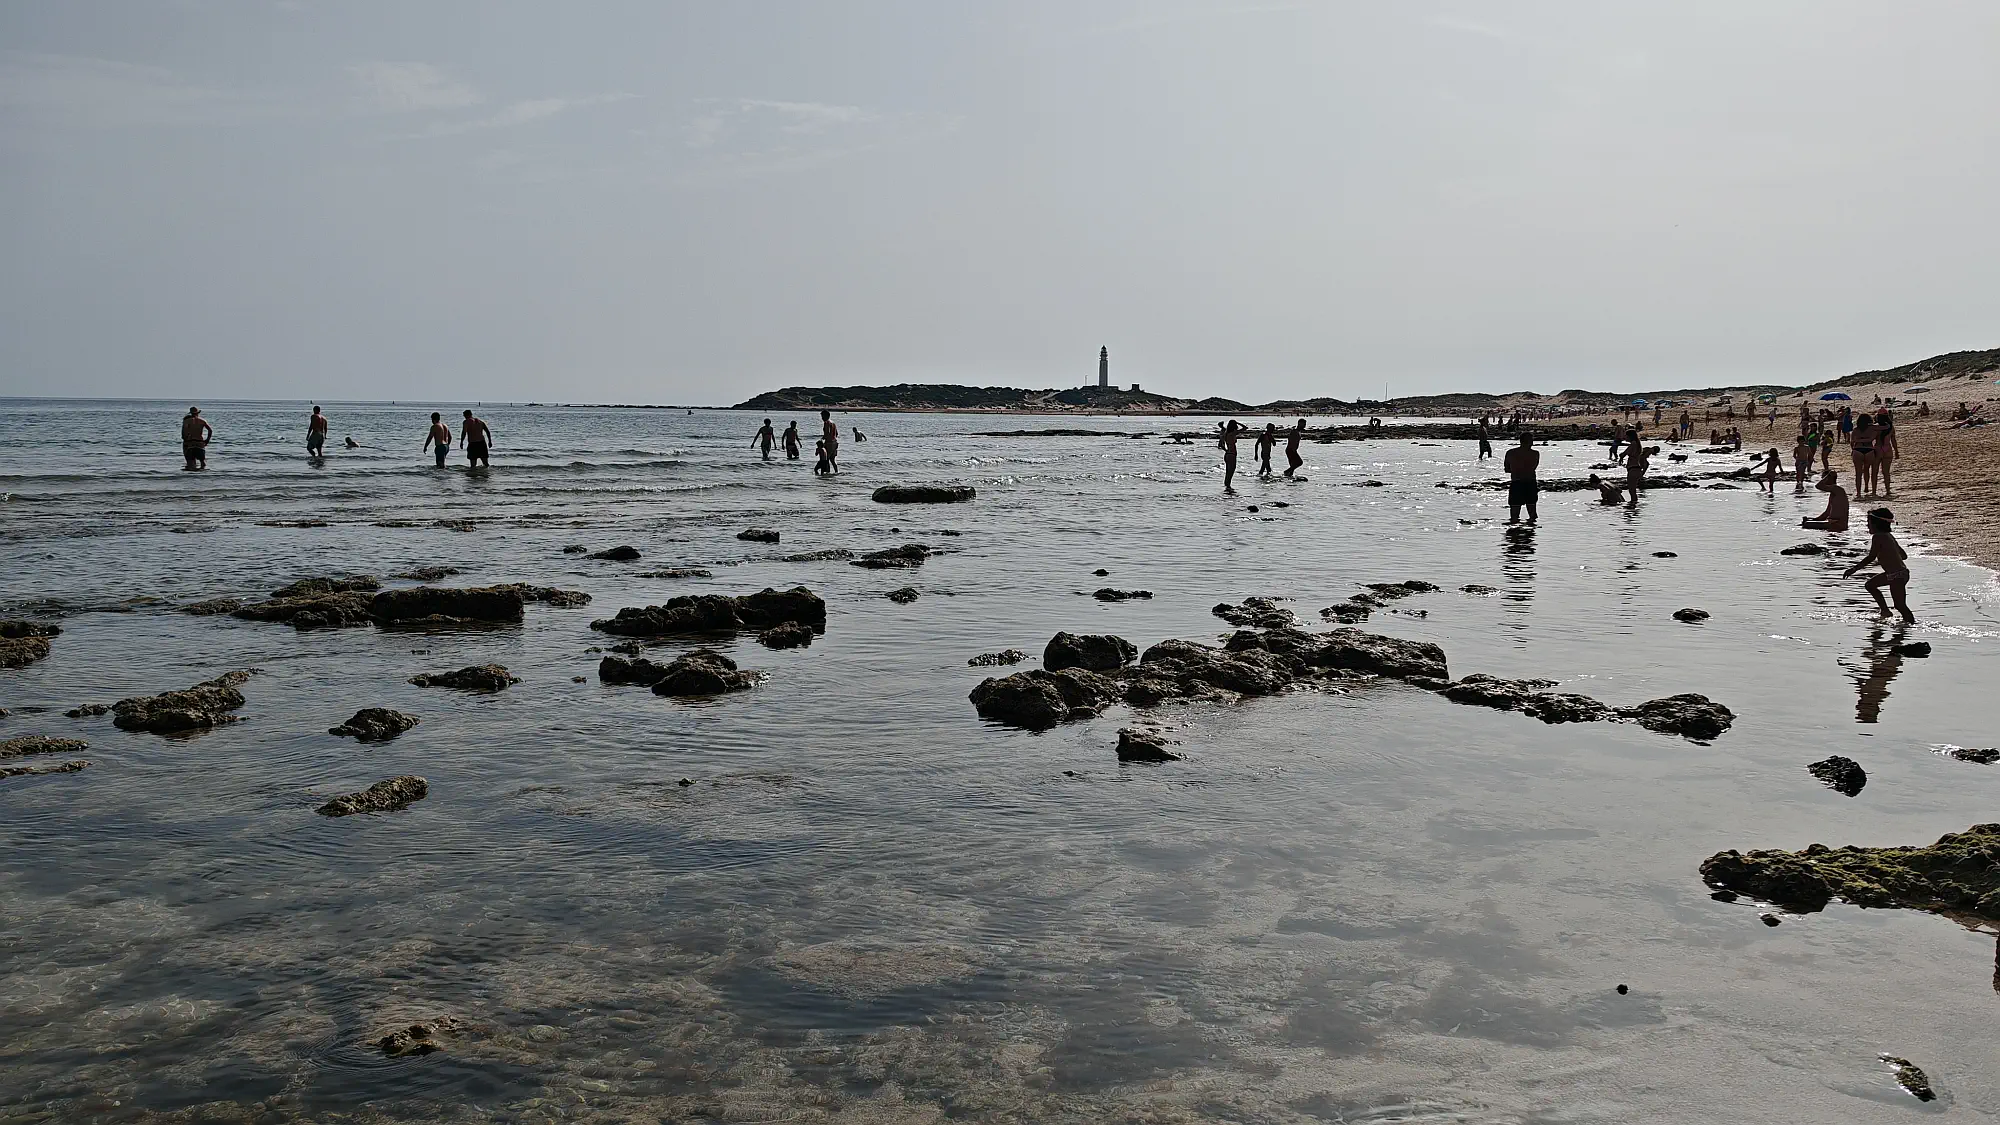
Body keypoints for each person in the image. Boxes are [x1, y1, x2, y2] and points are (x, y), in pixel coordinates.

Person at [1845, 507, 1915, 623]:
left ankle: (1911, 625)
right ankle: (1885, 611)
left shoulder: (1878, 537)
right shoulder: (1889, 535)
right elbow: (1903, 556)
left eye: (1869, 523)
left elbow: (1871, 557)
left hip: (1896, 575)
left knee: (1900, 605)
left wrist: (1854, 569)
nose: (1867, 526)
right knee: (1870, 585)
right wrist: (1887, 556)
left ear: (1877, 524)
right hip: (1898, 573)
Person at [1503, 433, 1539, 524]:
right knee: (1532, 515)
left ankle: (1515, 531)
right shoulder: (1535, 454)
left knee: (1514, 516)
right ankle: (1531, 530)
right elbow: (1533, 467)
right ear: (1530, 442)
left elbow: (1507, 469)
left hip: (1516, 483)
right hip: (1530, 483)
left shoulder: (1510, 453)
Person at [1624, 442, 1652, 508]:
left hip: (1635, 468)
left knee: (1632, 490)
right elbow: (1643, 457)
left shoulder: (1647, 450)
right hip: (1637, 468)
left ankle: (1633, 504)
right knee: (1633, 490)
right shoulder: (1649, 450)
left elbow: (1643, 457)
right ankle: (1634, 504)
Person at [1219, 420, 1243, 490]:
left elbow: (1221, 445)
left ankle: (1226, 489)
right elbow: (1245, 428)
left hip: (1227, 454)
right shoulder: (1233, 433)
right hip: (1232, 455)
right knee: (1230, 473)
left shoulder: (1225, 434)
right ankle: (1228, 489)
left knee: (1227, 473)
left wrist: (1226, 450)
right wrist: (1238, 422)